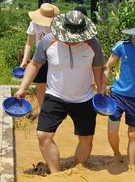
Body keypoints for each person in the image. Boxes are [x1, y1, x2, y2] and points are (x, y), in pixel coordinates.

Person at [15, 10, 104, 173]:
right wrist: (23, 88)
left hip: (84, 99)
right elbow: (34, 65)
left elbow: (98, 70)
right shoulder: (48, 41)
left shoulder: (93, 44)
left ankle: (78, 169)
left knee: (86, 140)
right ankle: (56, 174)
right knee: (43, 135)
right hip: (55, 96)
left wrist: (101, 92)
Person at [101, 17, 135, 168]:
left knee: (133, 134)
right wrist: (102, 89)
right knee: (112, 131)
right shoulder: (122, 46)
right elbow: (107, 67)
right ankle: (117, 153)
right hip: (117, 96)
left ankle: (132, 166)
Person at [20, 3, 59, 108]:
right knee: (40, 85)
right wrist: (25, 60)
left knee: (55, 84)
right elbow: (29, 44)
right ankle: (43, 109)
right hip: (40, 58)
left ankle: (56, 108)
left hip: (55, 57)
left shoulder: (57, 25)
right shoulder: (34, 24)